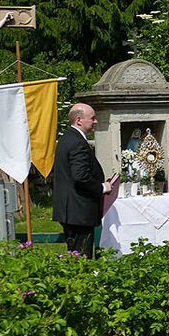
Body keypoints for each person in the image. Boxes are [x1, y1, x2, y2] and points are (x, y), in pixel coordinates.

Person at [52, 103, 112, 258]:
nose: (96, 121)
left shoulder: (67, 138)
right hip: (79, 211)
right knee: (82, 257)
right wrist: (102, 188)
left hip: (70, 210)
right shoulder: (77, 142)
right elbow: (80, 176)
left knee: (75, 255)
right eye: (92, 118)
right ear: (79, 120)